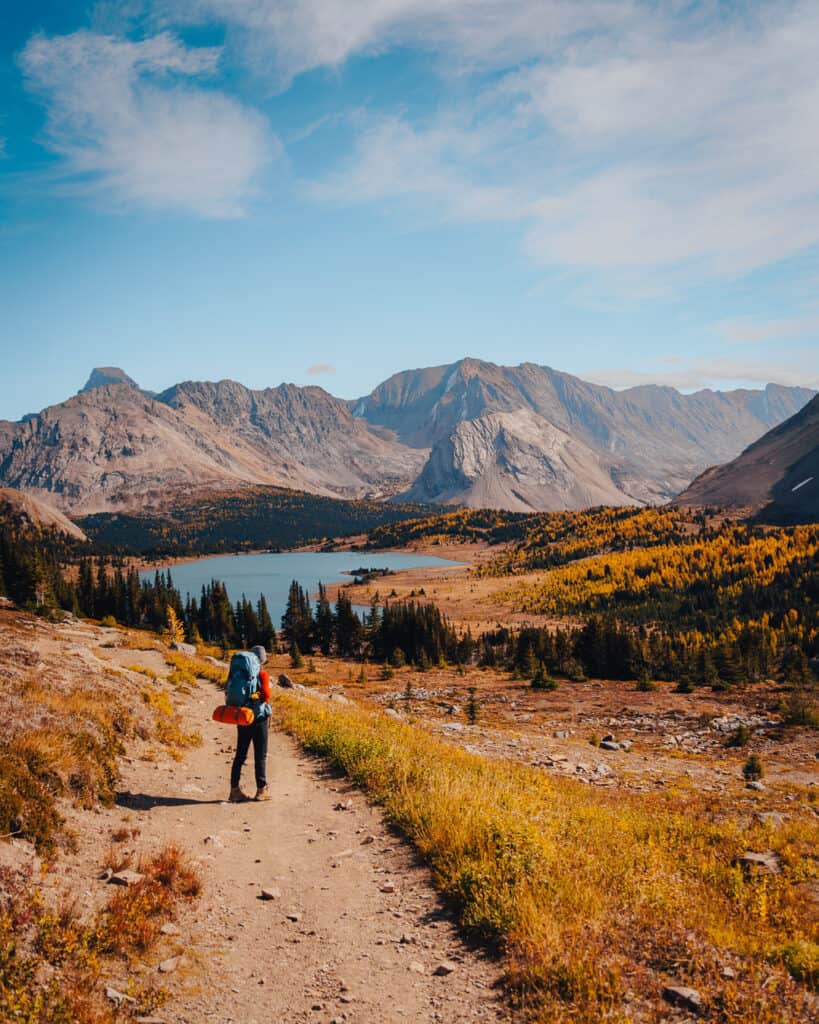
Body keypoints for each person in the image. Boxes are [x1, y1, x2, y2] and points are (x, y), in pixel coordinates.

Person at [229, 645, 272, 803]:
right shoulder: (261, 673)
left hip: (243, 717)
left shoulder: (240, 672)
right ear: (262, 659)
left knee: (240, 754)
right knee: (260, 755)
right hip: (258, 718)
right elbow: (266, 695)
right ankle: (261, 790)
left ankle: (234, 790)